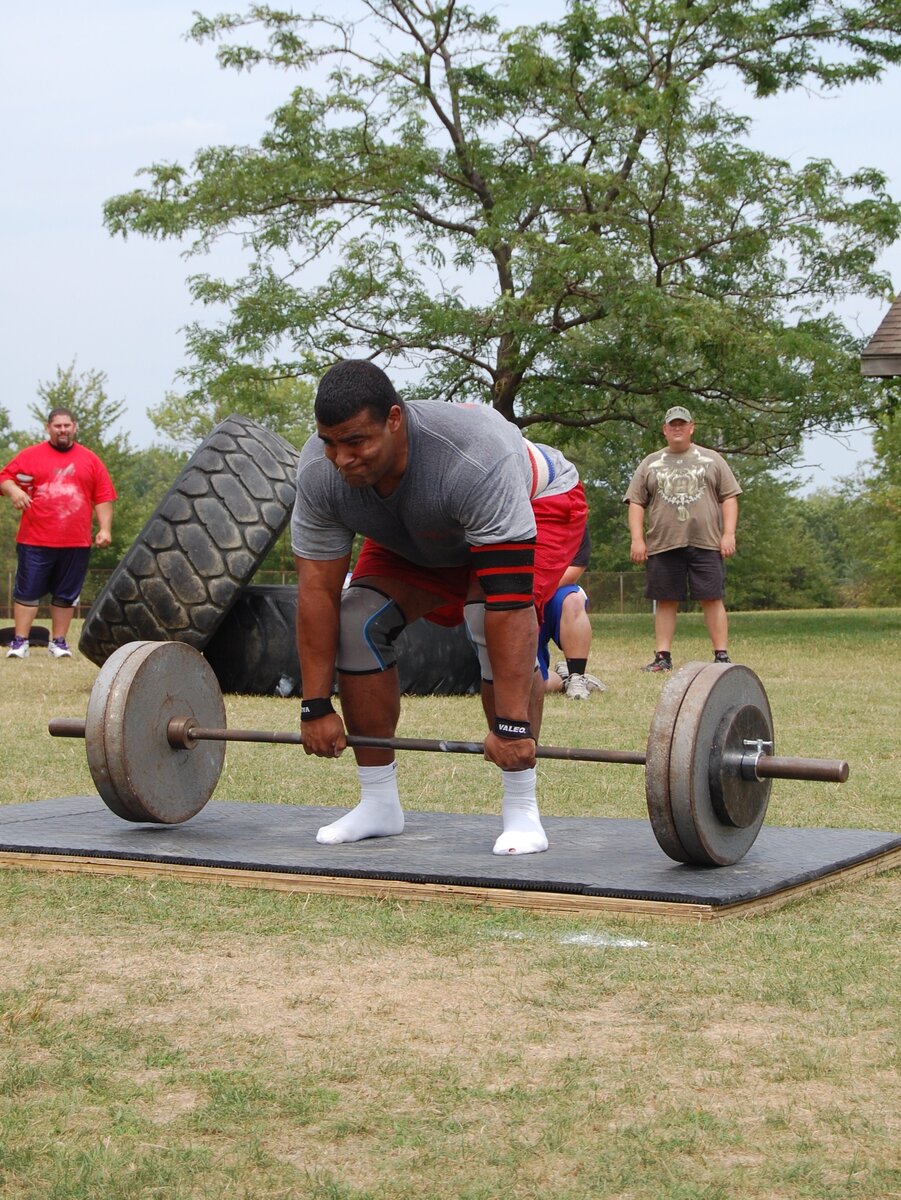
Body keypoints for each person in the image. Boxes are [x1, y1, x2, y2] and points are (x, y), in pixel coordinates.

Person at [291, 359, 588, 856]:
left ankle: (522, 811)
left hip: (539, 502)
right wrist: (315, 705)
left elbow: (509, 603)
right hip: (418, 528)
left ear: (394, 419)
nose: (341, 459)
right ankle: (379, 803)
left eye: (356, 442)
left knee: (483, 613)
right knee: (355, 618)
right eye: (329, 442)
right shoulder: (320, 474)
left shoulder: (474, 455)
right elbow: (317, 595)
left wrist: (511, 727)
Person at [624, 405, 741, 672]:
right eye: (672, 425)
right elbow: (636, 502)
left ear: (691, 428)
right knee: (665, 600)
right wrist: (637, 539)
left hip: (706, 542)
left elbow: (730, 497)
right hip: (664, 543)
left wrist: (729, 534)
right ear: (665, 430)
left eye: (682, 424)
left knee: (712, 597)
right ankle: (662, 657)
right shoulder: (650, 463)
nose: (677, 428)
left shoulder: (712, 460)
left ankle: (721, 656)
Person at [0, 407, 116, 659]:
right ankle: (20, 642)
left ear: (74, 427)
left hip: (76, 541)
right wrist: (14, 491)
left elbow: (104, 497)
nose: (62, 430)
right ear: (48, 427)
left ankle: (59, 642)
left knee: (66, 595)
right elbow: (5, 477)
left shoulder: (90, 460)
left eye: (67, 425)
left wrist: (105, 529)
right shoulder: (31, 455)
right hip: (35, 540)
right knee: (27, 592)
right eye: (57, 426)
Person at [539, 526, 606, 700]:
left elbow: (574, 569)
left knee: (573, 598)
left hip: (547, 595)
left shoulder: (568, 515)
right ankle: (563, 676)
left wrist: (536, 590)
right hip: (515, 600)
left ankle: (576, 675)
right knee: (531, 685)